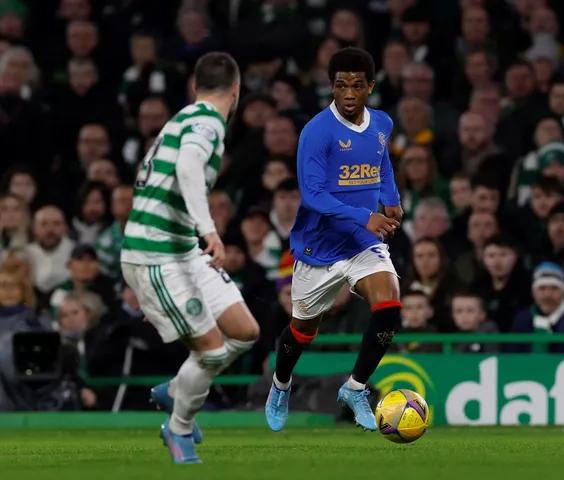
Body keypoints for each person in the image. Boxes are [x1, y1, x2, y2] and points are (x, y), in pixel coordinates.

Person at [120, 52, 260, 464]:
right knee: (212, 352)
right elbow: (187, 167)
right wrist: (209, 229)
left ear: (194, 87)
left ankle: (178, 390)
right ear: (236, 90)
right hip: (156, 255)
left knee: (245, 332)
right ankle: (178, 429)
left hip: (180, 250)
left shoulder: (182, 118)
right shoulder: (206, 123)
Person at [265, 47, 402, 433]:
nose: (349, 94)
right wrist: (367, 216)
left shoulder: (382, 123)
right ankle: (280, 385)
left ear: (370, 87)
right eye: (341, 85)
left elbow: (382, 160)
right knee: (302, 331)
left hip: (361, 242)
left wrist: (391, 198)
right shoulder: (317, 132)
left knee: (389, 303)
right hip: (319, 247)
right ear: (331, 86)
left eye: (357, 85)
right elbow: (313, 196)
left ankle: (355, 389)